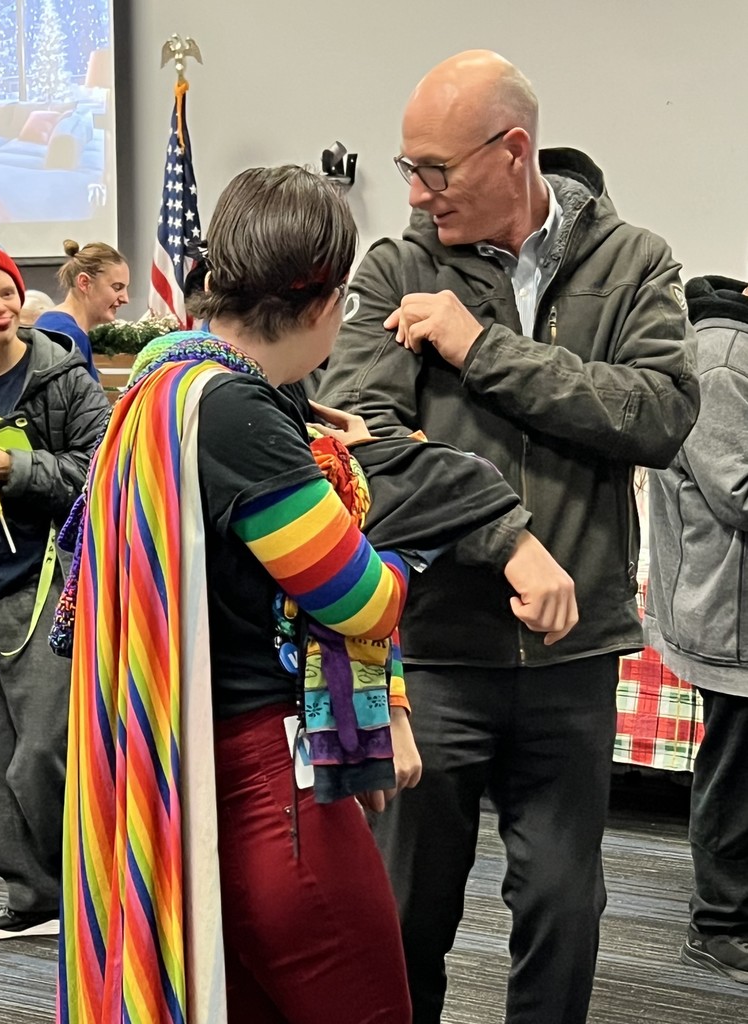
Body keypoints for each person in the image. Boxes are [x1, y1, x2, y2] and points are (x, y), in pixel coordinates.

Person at [55, 165, 526, 1024]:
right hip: (272, 788)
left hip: (196, 767)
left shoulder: (165, 384)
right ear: (326, 302)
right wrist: (387, 507)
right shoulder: (239, 416)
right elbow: (363, 601)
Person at [317, 49, 700, 1024]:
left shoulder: (633, 262)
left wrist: (481, 349)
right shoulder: (398, 267)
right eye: (408, 167)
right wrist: (507, 536)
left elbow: (656, 415)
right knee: (407, 916)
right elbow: (366, 456)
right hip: (435, 645)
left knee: (563, 911)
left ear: (512, 150)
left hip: (572, 655)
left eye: (433, 169)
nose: (414, 191)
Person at [0, 243, 109, 940]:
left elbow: (103, 467)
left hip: (42, 591)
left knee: (41, 754)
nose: (2, 308)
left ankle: (86, 885)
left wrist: (18, 469)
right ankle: (34, 900)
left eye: (7, 293)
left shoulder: (59, 376)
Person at [645, 274, 748, 985]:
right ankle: (717, 923)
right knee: (735, 772)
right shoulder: (720, 357)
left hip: (733, 604)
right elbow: (737, 492)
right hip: (730, 611)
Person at [34, 239, 130, 381]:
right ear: (84, 283)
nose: (125, 298)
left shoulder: (53, 323)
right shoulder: (67, 336)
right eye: (117, 287)